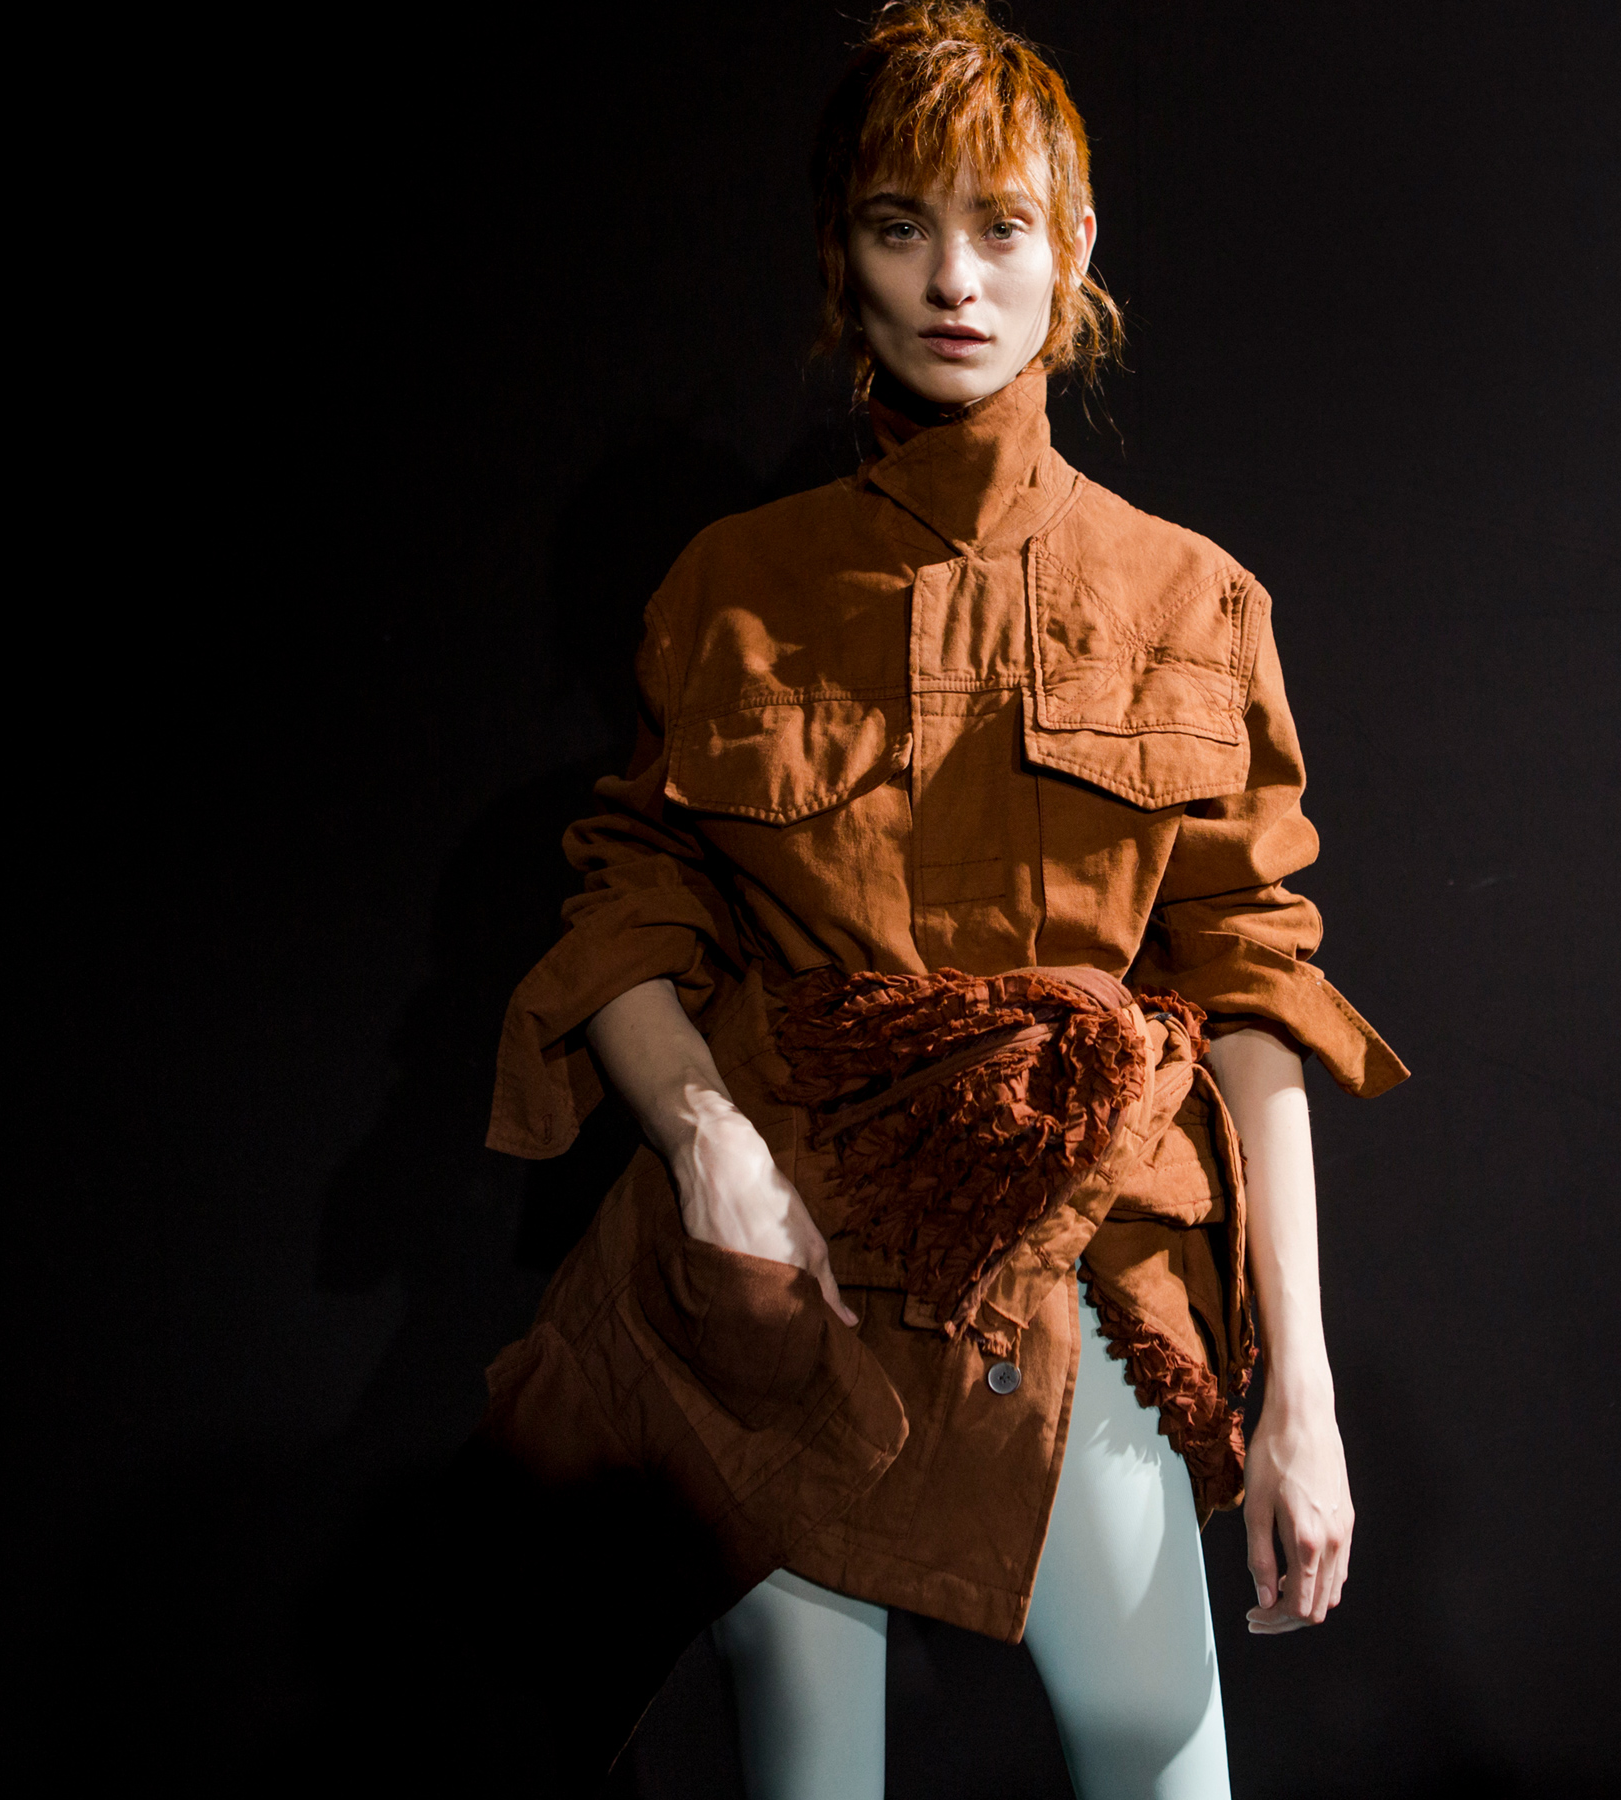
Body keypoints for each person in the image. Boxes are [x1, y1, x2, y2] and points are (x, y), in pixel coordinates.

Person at [478, 6, 1406, 1795]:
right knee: (809, 1775)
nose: (955, 281)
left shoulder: (1191, 598)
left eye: (1003, 225)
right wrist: (706, 1144)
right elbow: (625, 915)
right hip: (788, 1286)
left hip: (1073, 1286)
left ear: (1076, 248)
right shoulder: (734, 589)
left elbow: (1259, 999)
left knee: (1160, 1766)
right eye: (902, 226)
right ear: (843, 254)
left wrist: (1304, 1395)